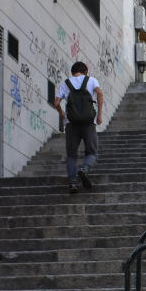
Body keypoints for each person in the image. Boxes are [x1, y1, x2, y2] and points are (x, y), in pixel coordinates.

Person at [53, 61, 104, 194]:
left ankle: (73, 183)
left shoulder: (66, 83)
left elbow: (56, 102)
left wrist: (63, 114)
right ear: (85, 71)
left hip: (72, 124)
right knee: (92, 152)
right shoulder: (91, 80)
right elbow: (100, 93)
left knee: (71, 155)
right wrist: (99, 115)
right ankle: (84, 169)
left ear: (72, 72)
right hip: (88, 122)